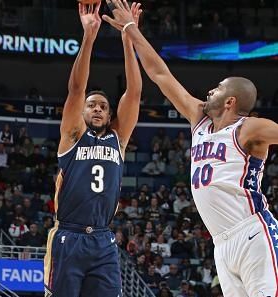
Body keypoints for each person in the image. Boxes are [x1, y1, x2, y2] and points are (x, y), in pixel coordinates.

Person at [103, 1, 278, 295]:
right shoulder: (199, 118)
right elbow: (160, 74)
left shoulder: (249, 128)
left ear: (230, 101)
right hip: (221, 243)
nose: (210, 90)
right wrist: (132, 31)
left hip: (252, 231)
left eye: (218, 87)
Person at [43, 2, 142, 297]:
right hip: (68, 236)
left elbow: (134, 93)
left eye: (103, 106)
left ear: (109, 115)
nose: (97, 108)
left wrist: (128, 37)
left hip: (103, 238)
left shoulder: (118, 139)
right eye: (92, 105)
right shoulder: (72, 136)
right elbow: (76, 89)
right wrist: (89, 36)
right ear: (82, 112)